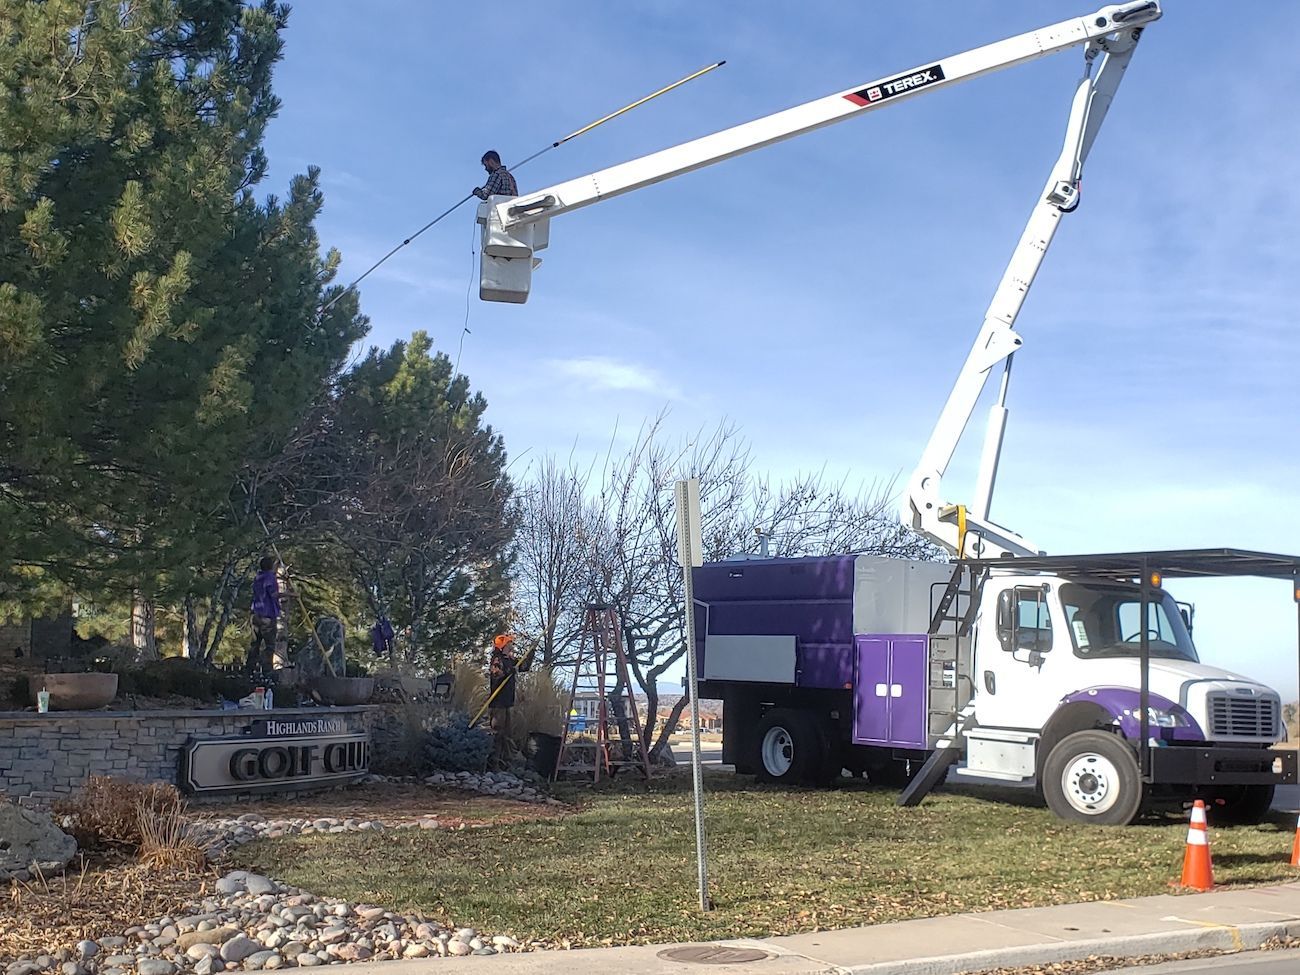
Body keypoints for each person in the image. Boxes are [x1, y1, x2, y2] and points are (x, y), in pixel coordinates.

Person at [246, 556, 281, 675]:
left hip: (256, 614)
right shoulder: (270, 578)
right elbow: (274, 594)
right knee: (269, 645)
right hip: (267, 616)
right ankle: (267, 672)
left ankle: (249, 670)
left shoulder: (258, 577)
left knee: (255, 644)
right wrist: (291, 594)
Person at [488, 633, 519, 767]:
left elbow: (523, 666)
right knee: (498, 732)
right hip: (498, 703)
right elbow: (496, 674)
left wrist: (531, 653)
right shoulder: (497, 660)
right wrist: (508, 670)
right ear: (503, 646)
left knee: (508, 733)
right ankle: (494, 761)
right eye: (508, 644)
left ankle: (506, 761)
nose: (511, 646)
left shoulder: (510, 659)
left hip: (507, 702)